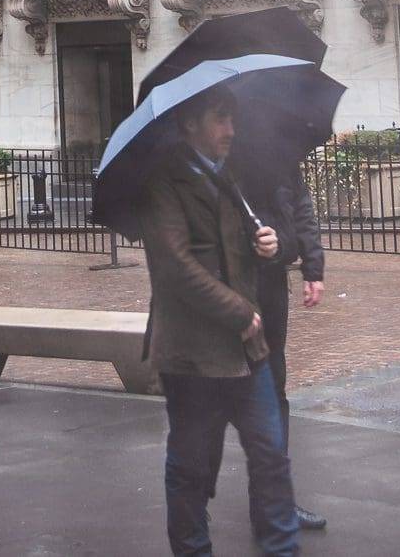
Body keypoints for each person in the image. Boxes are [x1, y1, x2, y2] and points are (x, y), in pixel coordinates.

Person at [136, 85, 300, 557]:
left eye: (232, 118)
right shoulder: (163, 182)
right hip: (194, 355)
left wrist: (271, 246)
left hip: (249, 350)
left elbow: (246, 248)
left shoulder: (230, 176)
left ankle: (281, 549)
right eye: (220, 118)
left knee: (270, 455)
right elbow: (174, 266)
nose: (231, 129)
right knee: (191, 467)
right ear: (190, 124)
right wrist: (239, 311)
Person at [208, 166, 327, 535]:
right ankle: (193, 498)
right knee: (212, 394)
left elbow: (300, 207)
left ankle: (273, 503)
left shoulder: (277, 151)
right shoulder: (210, 156)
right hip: (225, 291)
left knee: (273, 391)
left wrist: (311, 263)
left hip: (271, 286)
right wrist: (250, 243)